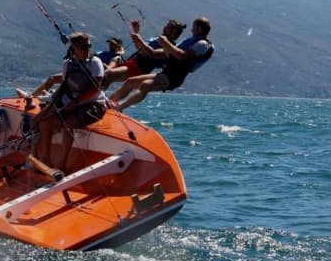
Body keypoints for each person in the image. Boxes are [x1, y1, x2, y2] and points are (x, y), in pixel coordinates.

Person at [29, 32, 107, 174]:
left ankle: (61, 165)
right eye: (83, 47)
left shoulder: (95, 62)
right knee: (43, 122)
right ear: (74, 48)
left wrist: (77, 101)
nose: (87, 50)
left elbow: (95, 88)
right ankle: (44, 161)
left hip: (93, 105)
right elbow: (64, 87)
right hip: (72, 102)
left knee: (68, 123)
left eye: (88, 46)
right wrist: (50, 106)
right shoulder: (68, 65)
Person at [109, 17, 214, 111]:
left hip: (174, 77)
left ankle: (119, 107)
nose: (191, 30)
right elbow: (158, 53)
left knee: (145, 85)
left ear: (200, 29)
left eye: (194, 27)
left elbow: (182, 56)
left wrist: (165, 44)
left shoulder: (203, 44)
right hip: (166, 73)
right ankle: (109, 102)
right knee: (130, 82)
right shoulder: (189, 41)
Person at [103, 19, 186, 87]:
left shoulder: (170, 48)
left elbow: (152, 53)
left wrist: (140, 40)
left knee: (110, 74)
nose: (164, 28)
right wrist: (136, 31)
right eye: (166, 26)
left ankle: (99, 97)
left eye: (168, 27)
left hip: (139, 69)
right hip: (131, 62)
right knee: (106, 70)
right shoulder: (157, 39)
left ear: (173, 32)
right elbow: (139, 47)